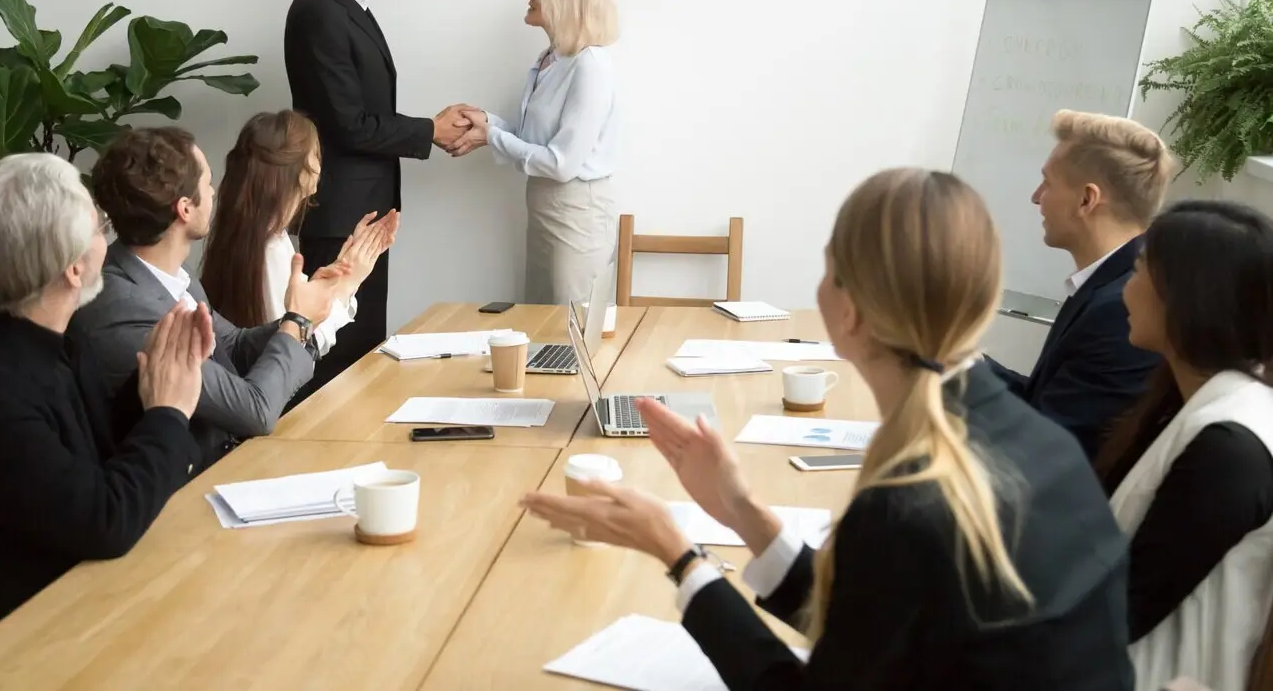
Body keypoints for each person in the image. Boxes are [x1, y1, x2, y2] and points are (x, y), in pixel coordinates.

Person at [522, 168, 1133, 690]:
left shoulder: (909, 503)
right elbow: (871, 626)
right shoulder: (1041, 442)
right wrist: (740, 510)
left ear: (850, 310)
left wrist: (679, 556)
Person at [0, 154, 207, 685]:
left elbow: (83, 456)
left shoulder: (31, 333)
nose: (109, 238)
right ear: (74, 267)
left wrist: (151, 386)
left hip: (70, 618)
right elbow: (103, 519)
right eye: (102, 227)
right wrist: (169, 412)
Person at [70, 127, 346, 468]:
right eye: (208, 184)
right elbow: (254, 411)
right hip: (186, 496)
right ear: (185, 208)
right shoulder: (123, 309)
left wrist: (306, 311)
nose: (214, 194)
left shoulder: (171, 274)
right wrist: (297, 323)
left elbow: (233, 346)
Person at [284, 0, 474, 372]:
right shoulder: (319, 12)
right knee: (340, 363)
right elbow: (348, 125)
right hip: (339, 218)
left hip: (362, 214)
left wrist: (429, 130)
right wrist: (428, 130)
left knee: (363, 352)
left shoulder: (345, 6)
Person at [1093, 200, 1273, 691]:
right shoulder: (1185, 405)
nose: (1125, 291)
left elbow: (1119, 611)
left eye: (1136, 272)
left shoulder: (1230, 447)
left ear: (1185, 298)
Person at [987, 109, 1174, 459]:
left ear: (1087, 199)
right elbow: (1043, 400)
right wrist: (954, 360)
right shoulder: (1109, 283)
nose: (1036, 196)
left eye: (1047, 183)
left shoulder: (1122, 308)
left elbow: (1046, 446)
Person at [447, 0, 620, 304]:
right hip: (544, 208)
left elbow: (561, 163)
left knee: (567, 330)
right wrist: (488, 123)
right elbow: (534, 143)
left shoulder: (591, 66)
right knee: (541, 323)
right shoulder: (550, 60)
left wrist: (492, 136)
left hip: (576, 215)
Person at [199, 110, 398, 401]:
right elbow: (292, 350)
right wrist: (346, 287)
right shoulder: (271, 248)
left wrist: (337, 277)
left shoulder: (250, 235)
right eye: (316, 154)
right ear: (304, 172)